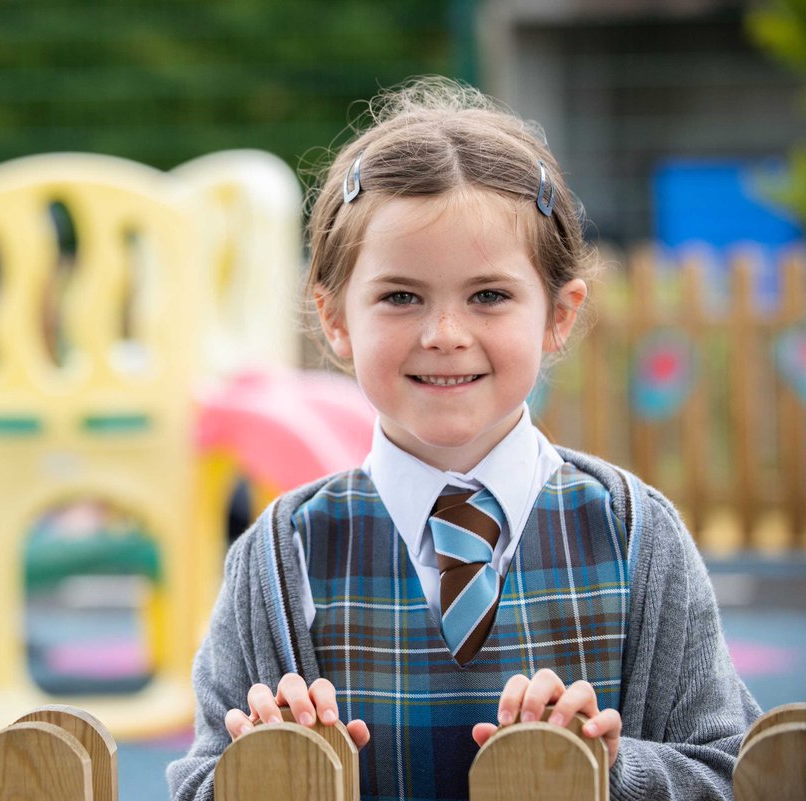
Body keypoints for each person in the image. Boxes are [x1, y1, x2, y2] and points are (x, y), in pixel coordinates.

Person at [167, 76, 761, 801]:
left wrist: (612, 770)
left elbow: (733, 772)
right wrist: (264, 770)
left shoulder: (637, 533)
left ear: (559, 314)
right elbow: (196, 783)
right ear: (335, 318)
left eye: (489, 295)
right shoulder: (279, 555)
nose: (444, 334)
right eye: (400, 296)